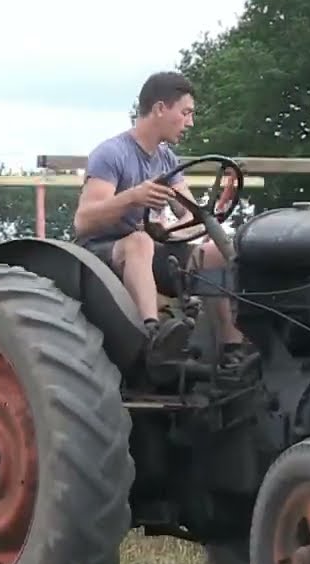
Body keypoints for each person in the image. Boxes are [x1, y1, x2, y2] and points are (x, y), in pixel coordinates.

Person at [73, 71, 249, 369]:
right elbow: (83, 221)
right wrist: (132, 197)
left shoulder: (167, 160)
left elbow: (193, 215)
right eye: (186, 113)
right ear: (159, 109)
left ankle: (233, 349)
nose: (190, 122)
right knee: (140, 241)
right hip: (103, 256)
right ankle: (153, 334)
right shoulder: (111, 154)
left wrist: (203, 220)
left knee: (219, 253)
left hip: (149, 252)